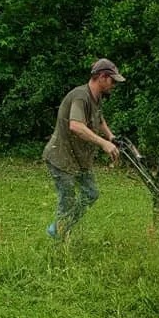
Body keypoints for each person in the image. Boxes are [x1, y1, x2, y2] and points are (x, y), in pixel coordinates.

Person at [42, 58, 125, 239]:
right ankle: (58, 239)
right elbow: (76, 125)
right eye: (112, 80)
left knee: (91, 193)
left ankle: (62, 227)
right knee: (68, 200)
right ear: (102, 77)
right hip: (61, 158)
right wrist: (104, 143)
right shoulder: (81, 96)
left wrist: (110, 136)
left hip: (79, 159)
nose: (114, 85)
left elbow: (99, 118)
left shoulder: (95, 97)